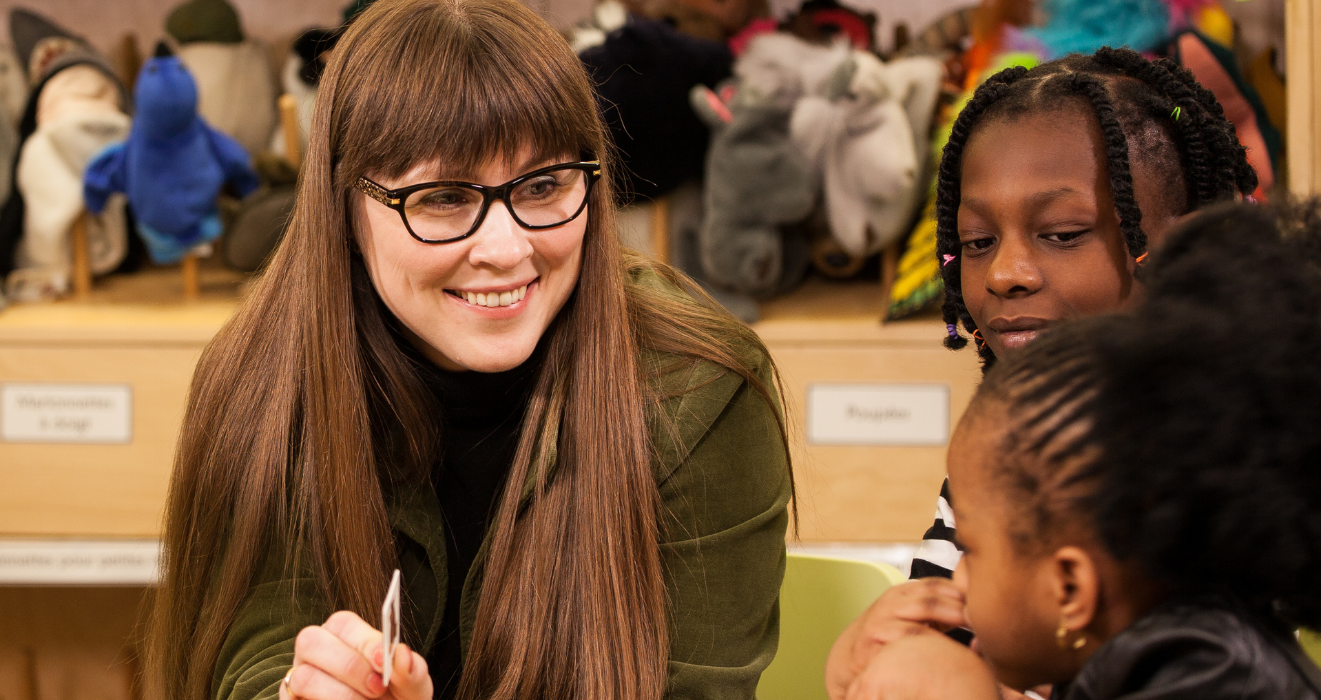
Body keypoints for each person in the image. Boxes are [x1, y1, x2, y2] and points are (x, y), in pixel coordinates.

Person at [145, 1, 793, 699]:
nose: (507, 249)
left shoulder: (702, 389)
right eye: (444, 197)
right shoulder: (266, 378)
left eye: (543, 186)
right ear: (344, 205)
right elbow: (253, 650)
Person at [829, 47, 1260, 698]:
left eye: (1062, 233)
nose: (1006, 274)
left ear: (1183, 248)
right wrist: (870, 659)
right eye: (978, 242)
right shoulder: (1006, 451)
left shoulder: (1215, 490)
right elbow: (950, 643)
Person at [837, 202, 1321, 699]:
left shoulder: (1211, 683)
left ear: (1070, 589)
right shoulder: (1177, 655)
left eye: (973, 553)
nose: (956, 579)